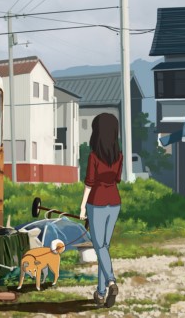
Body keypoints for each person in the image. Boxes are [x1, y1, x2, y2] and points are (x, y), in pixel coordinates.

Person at [79, 113, 122, 308]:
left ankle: (111, 282)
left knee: (100, 247)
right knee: (103, 247)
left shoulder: (94, 156)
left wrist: (82, 207)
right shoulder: (119, 155)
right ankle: (101, 293)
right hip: (114, 202)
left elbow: (89, 182)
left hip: (96, 203)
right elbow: (117, 179)